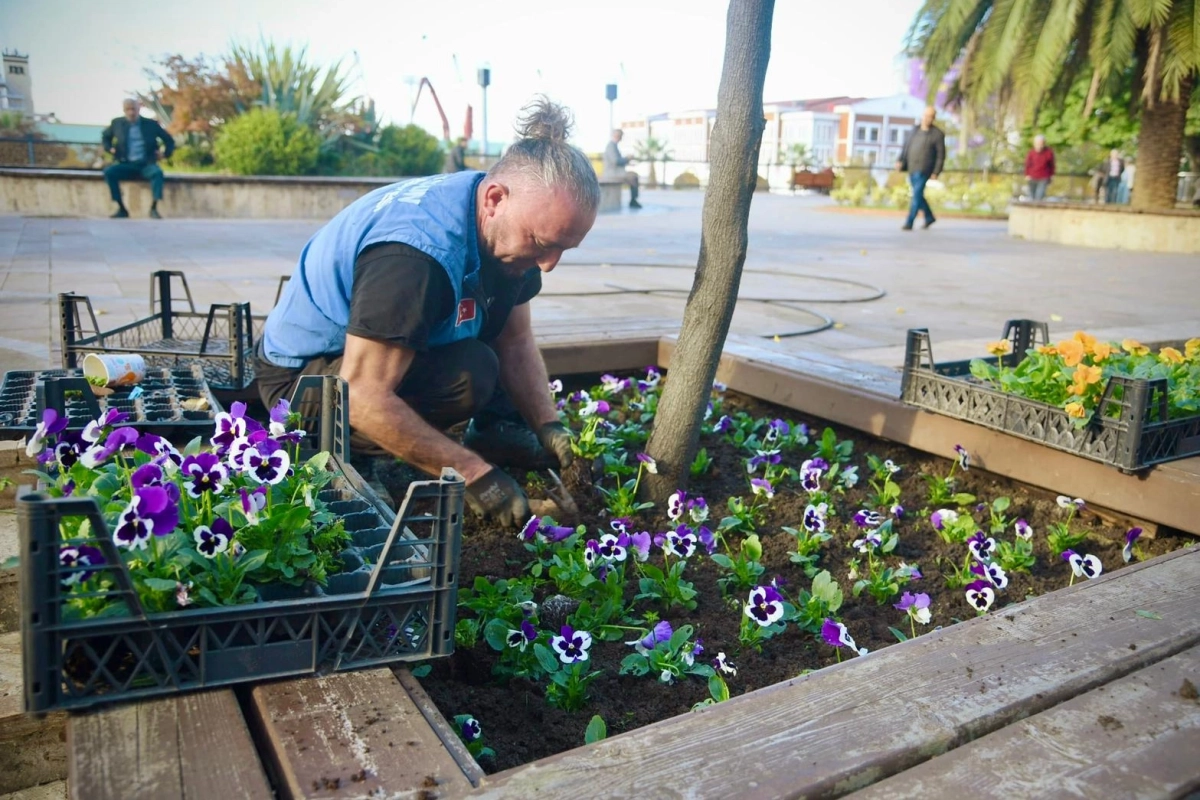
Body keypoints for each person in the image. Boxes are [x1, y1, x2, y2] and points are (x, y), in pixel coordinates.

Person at [255, 97, 599, 526]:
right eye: (543, 244)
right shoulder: (413, 257)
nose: (549, 265)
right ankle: (349, 457)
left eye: (564, 249)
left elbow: (515, 340)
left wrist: (547, 424)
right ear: (495, 199)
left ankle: (494, 431)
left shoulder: (502, 220)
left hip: (362, 358)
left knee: (479, 358)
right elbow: (360, 394)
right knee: (466, 376)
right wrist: (475, 476)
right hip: (302, 385)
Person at [100, 99, 174, 219]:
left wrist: (165, 154)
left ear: (139, 109)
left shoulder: (151, 124)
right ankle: (121, 208)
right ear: (124, 110)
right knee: (109, 172)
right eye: (128, 109)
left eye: (133, 109)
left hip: (146, 164)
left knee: (157, 173)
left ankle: (154, 208)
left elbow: (169, 140)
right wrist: (110, 149)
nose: (131, 112)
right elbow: (105, 137)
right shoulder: (117, 123)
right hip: (126, 164)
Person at [895, 106, 945, 230]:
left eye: (930, 116)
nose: (927, 119)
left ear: (933, 118)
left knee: (916, 195)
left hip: (925, 169)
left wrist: (936, 171)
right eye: (926, 116)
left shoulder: (937, 134)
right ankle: (929, 217)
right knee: (918, 195)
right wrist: (900, 160)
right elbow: (906, 147)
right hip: (912, 166)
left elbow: (941, 155)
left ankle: (909, 222)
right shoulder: (914, 130)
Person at [603, 129, 641, 209]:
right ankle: (633, 200)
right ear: (617, 136)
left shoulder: (614, 145)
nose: (621, 138)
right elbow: (616, 161)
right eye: (620, 136)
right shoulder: (611, 146)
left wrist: (628, 162)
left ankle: (634, 199)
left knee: (634, 175)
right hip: (612, 173)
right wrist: (627, 158)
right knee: (633, 177)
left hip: (616, 171)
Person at [1024, 134, 1055, 201]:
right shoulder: (1031, 153)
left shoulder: (1048, 152)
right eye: (1038, 143)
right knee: (1031, 197)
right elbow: (1027, 164)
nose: (1039, 145)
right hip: (1032, 177)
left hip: (1044, 177)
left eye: (1041, 143)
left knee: (1039, 197)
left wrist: (1051, 175)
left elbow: (1052, 165)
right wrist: (1027, 174)